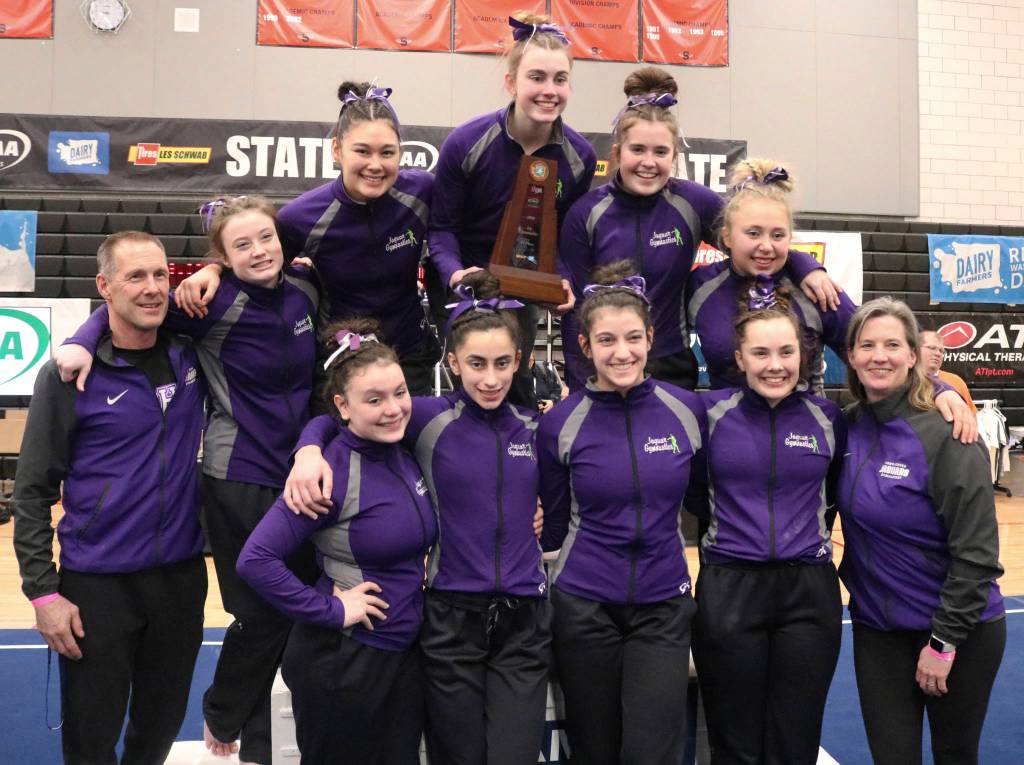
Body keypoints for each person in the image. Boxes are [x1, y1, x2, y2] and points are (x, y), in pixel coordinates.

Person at [53, 196, 320, 764]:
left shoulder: (306, 292)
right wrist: (81, 337)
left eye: (266, 239)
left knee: (305, 612)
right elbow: (128, 307)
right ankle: (223, 713)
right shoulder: (211, 301)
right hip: (239, 475)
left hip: (305, 470)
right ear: (218, 256)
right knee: (263, 609)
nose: (259, 251)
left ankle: (261, 745)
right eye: (239, 245)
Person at [285, 271, 553, 765]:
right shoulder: (425, 418)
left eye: (500, 363)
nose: (490, 379)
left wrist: (535, 521)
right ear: (452, 363)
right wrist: (307, 450)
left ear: (519, 360)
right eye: (475, 364)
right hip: (451, 618)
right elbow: (340, 415)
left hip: (523, 621)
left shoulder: (539, 427)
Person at [12, 231, 208, 764]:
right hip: (97, 584)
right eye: (135, 276)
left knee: (159, 728)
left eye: (160, 275)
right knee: (91, 735)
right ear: (104, 285)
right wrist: (43, 593)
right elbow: (31, 489)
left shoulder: (193, 355)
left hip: (182, 579)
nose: (152, 289)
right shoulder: (69, 375)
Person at [558, 70, 837, 392]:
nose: (648, 162)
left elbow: (754, 241)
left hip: (670, 364)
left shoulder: (693, 202)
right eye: (638, 150)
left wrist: (805, 265)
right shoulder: (586, 213)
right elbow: (576, 308)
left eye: (660, 152)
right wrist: (580, 383)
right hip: (606, 364)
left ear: (674, 157)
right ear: (618, 152)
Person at [237, 319, 437, 765]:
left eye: (400, 393)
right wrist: (331, 610)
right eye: (374, 399)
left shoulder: (402, 447)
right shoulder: (330, 471)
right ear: (343, 407)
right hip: (343, 660)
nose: (393, 408)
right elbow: (255, 559)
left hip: (400, 656)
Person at [537, 260, 706, 765]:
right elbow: (558, 519)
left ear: (651, 338)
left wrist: (940, 388)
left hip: (663, 604)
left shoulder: (686, 410)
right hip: (584, 606)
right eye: (606, 340)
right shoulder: (561, 424)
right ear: (586, 347)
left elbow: (700, 499)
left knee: (650, 752)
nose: (622, 352)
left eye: (633, 337)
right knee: (595, 750)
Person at [176, 82, 439, 396]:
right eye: (362, 151)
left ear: (401, 152)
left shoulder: (421, 192)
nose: (375, 165)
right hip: (341, 361)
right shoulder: (303, 217)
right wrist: (216, 269)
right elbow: (261, 266)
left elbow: (453, 237)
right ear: (337, 151)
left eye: (387, 153)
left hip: (410, 355)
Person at [839, 298, 1005, 765]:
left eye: (893, 344)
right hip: (879, 631)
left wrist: (943, 641)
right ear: (850, 355)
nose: (879, 355)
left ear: (914, 355)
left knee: (955, 754)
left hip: (957, 632)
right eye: (866, 345)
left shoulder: (950, 434)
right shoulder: (847, 426)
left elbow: (976, 555)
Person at [693, 306, 844, 765]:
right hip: (730, 590)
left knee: (794, 743)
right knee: (734, 742)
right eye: (760, 353)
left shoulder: (829, 417)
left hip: (809, 594)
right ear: (739, 358)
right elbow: (692, 493)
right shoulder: (707, 413)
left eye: (786, 352)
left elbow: (836, 493)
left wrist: (942, 390)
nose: (774, 365)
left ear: (803, 356)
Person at [428, 12, 596, 406]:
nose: (549, 90)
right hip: (464, 284)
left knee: (513, 386)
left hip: (524, 290)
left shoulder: (579, 157)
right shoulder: (467, 142)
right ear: (511, 82)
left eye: (560, 79)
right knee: (471, 392)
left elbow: (564, 239)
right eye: (536, 77)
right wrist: (455, 274)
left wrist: (564, 279)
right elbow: (441, 228)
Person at [687, 158, 857, 394]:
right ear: (726, 237)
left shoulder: (814, 289)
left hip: (803, 428)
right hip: (726, 428)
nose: (766, 246)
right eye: (754, 233)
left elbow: (867, 354)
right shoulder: (700, 286)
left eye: (777, 235)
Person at [920, 329, 977, 413]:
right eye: (932, 348)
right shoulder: (903, 380)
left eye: (941, 351)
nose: (938, 354)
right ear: (915, 350)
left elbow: (972, 416)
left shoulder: (956, 381)